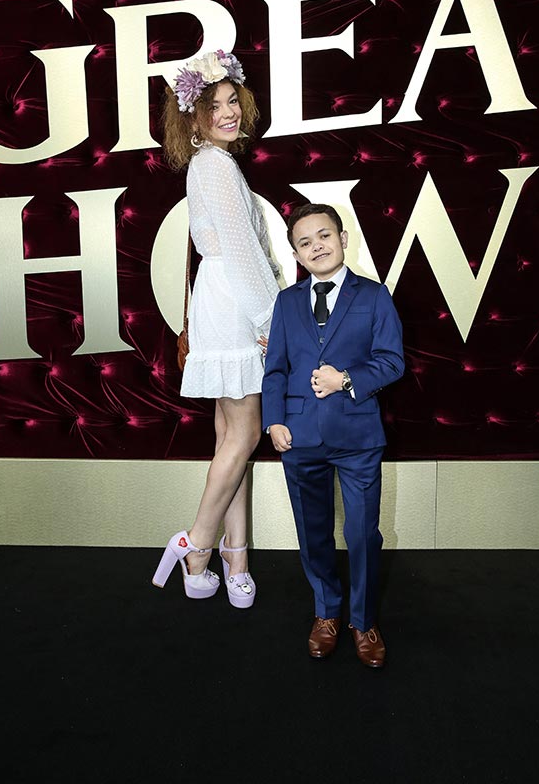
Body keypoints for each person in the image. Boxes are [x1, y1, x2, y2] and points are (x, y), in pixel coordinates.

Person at [152, 50, 281, 608]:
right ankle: (198, 544)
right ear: (193, 115)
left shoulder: (210, 164)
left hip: (220, 299)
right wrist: (271, 319)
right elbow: (243, 251)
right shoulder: (216, 166)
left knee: (231, 439)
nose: (228, 113)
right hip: (235, 302)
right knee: (245, 436)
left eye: (233, 101)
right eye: (214, 105)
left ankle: (236, 556)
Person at [262, 203, 404, 667]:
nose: (316, 246)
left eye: (324, 236)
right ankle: (326, 612)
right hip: (298, 437)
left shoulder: (374, 295)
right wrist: (273, 420)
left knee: (362, 534)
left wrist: (345, 379)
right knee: (313, 533)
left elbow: (392, 361)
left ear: (343, 239)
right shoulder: (286, 303)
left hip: (358, 436)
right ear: (296, 255)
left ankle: (363, 620)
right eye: (305, 242)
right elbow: (275, 368)